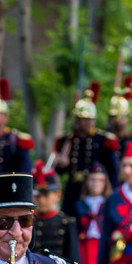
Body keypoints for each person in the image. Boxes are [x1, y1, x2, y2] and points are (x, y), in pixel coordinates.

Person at [53, 87, 118, 217]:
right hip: (73, 188)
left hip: (95, 190)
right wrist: (61, 165)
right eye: (83, 119)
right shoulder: (68, 140)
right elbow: (59, 172)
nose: (87, 123)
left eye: (90, 119)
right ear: (77, 120)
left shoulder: (102, 140)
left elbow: (113, 170)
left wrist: (110, 193)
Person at [30, 164, 79, 264]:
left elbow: (73, 259)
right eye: (37, 196)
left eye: (46, 195)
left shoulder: (66, 222)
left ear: (57, 195)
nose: (42, 200)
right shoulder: (28, 221)